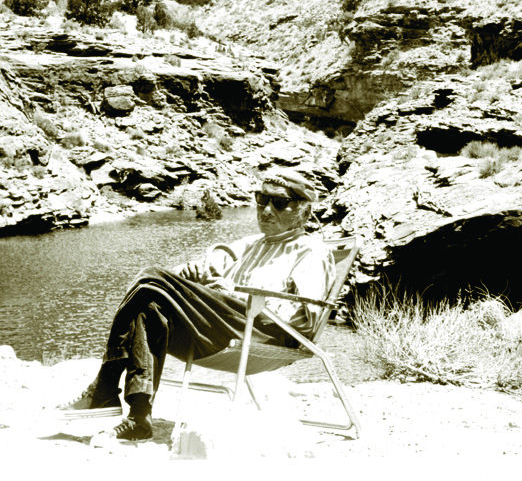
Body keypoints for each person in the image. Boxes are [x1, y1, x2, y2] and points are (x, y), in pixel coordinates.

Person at [59, 168, 336, 441]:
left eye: (279, 203)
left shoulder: (311, 250)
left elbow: (304, 317)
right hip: (224, 327)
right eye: (261, 199)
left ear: (304, 211)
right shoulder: (251, 244)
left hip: (265, 332)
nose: (265, 210)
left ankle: (103, 389)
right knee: (149, 306)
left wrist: (239, 297)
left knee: (151, 276)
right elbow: (206, 266)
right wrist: (193, 276)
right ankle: (139, 417)